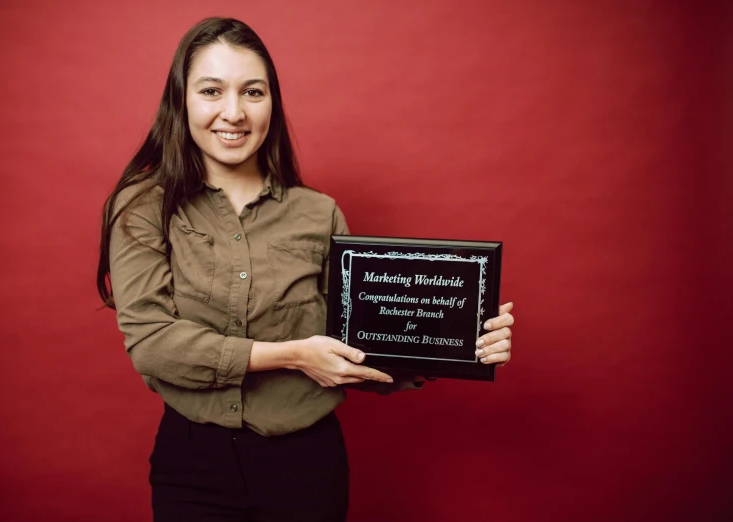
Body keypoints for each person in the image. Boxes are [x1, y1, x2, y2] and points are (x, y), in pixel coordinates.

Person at [96, 17, 514, 522]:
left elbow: (351, 347)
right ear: (181, 100)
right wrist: (292, 355)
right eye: (211, 90)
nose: (234, 112)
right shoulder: (141, 206)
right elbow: (152, 344)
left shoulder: (320, 214)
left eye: (253, 91)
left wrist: (455, 343)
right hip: (193, 465)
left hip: (307, 466)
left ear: (272, 102)